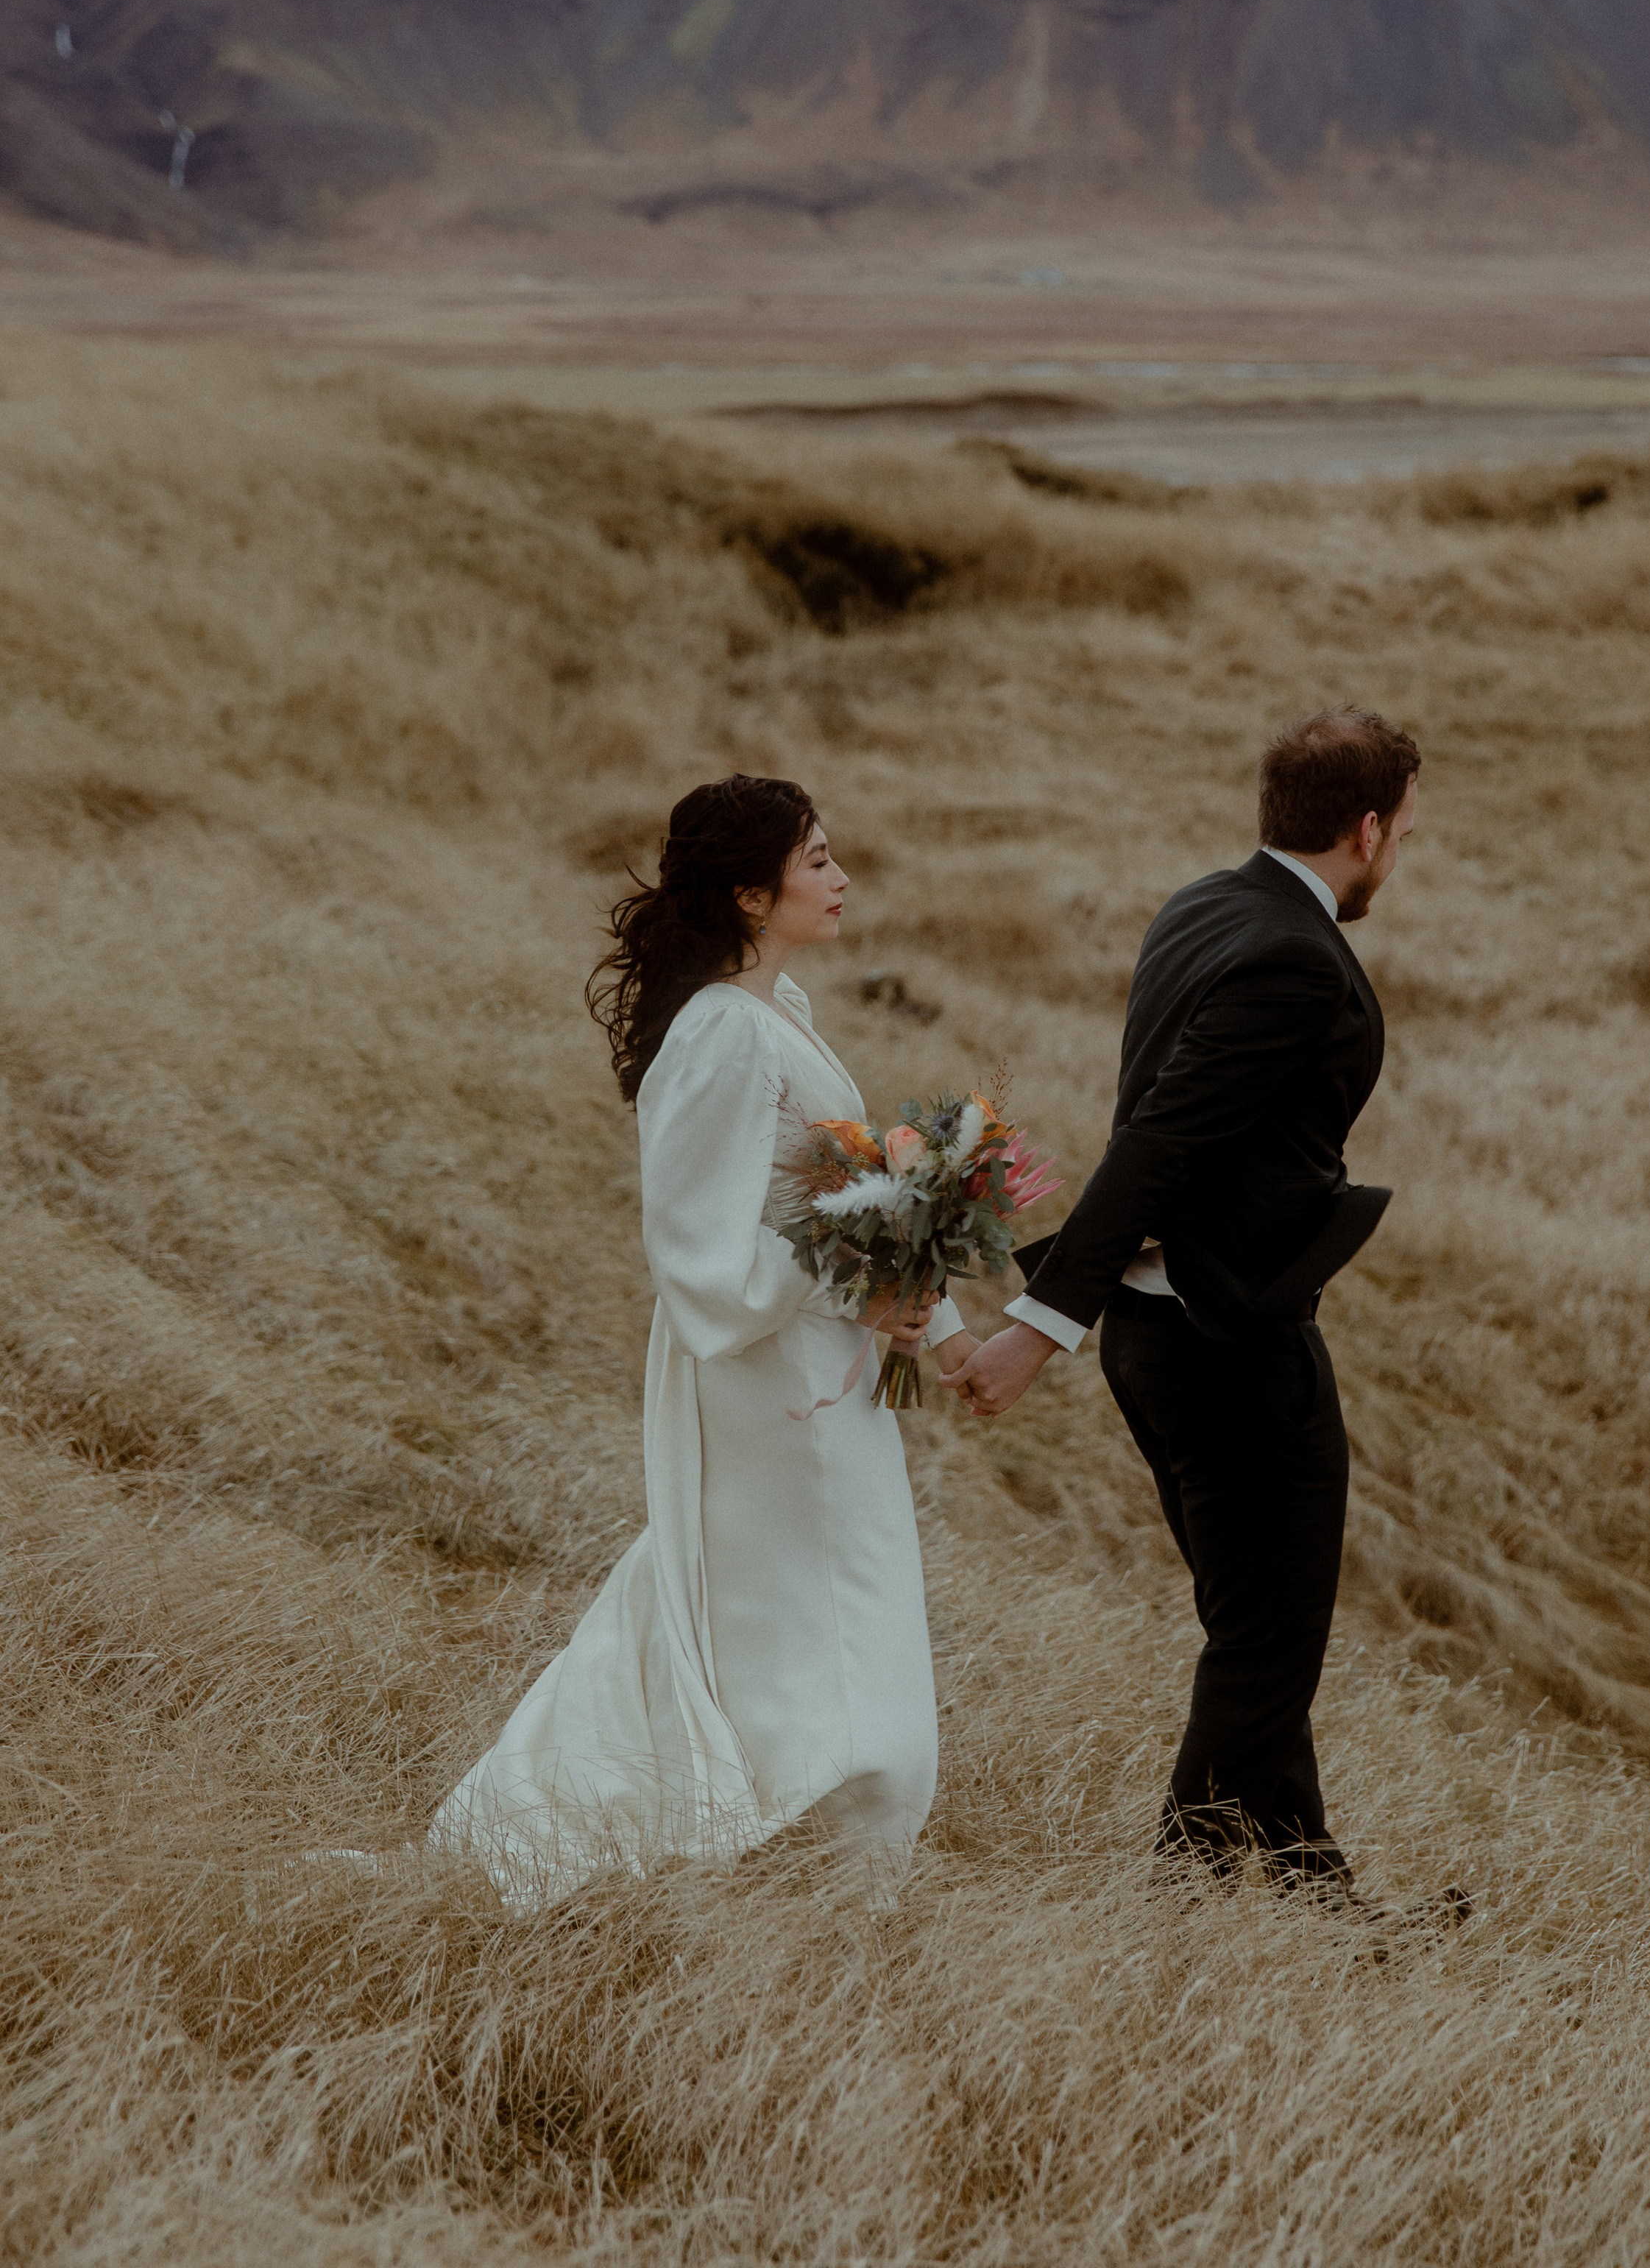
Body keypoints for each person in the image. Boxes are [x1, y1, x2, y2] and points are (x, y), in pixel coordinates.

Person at [943, 710, 1459, 1919]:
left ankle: (1323, 1911)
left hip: (1159, 1341)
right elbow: (1160, 1141)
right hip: (1229, 1346)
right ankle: (1173, 1908)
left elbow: (1189, 1135)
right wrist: (1034, 1326)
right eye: (1407, 833)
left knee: (1254, 1632)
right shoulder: (1295, 955)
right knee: (1268, 1646)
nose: (1403, 855)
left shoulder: (1200, 904)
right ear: (1368, 827)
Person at [431, 774, 979, 1906]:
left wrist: (924, 1305)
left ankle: (785, 1866)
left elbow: (841, 1198)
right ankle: (825, 1865)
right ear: (747, 893)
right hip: (770, 1390)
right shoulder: (726, 1039)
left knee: (791, 1627)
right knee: (826, 1638)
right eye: (817, 861)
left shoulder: (777, 1016)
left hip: (818, 1380)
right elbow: (705, 1259)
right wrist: (859, 1291)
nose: (842, 880)